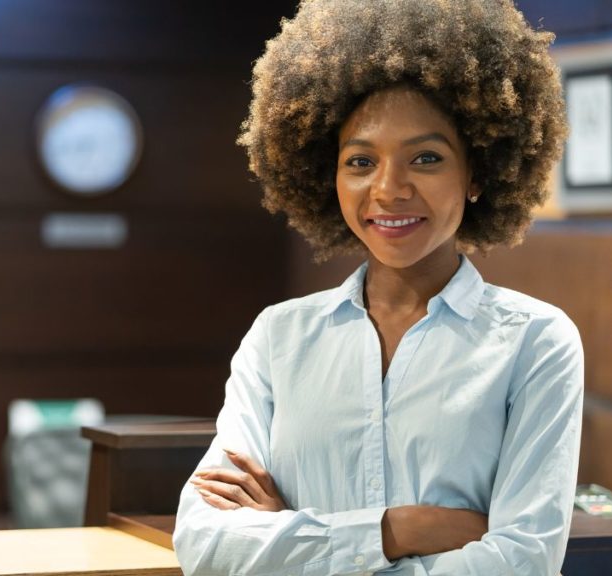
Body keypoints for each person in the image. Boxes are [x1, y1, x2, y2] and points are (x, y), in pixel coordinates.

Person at [172, 1, 581, 574]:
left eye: (427, 157)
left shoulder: (535, 342)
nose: (388, 189)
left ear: (478, 175)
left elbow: (522, 561)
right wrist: (400, 530)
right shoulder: (278, 338)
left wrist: (292, 538)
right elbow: (207, 547)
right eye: (360, 160)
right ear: (326, 173)